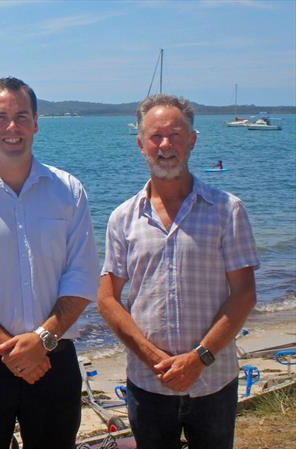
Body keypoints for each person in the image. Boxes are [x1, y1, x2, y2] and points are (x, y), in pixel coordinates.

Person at [0, 77, 99, 449]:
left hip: (54, 360)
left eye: (21, 116)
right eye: (1, 117)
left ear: (36, 123)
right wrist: (12, 350)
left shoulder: (69, 191)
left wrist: (42, 340)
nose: (12, 127)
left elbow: (82, 277)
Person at [98, 94, 259, 449]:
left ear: (192, 141)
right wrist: (153, 356)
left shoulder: (227, 210)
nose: (165, 145)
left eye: (175, 135)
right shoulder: (122, 218)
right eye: (156, 136)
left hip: (214, 380)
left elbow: (244, 294)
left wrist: (199, 358)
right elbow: (108, 298)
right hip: (148, 382)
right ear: (141, 144)